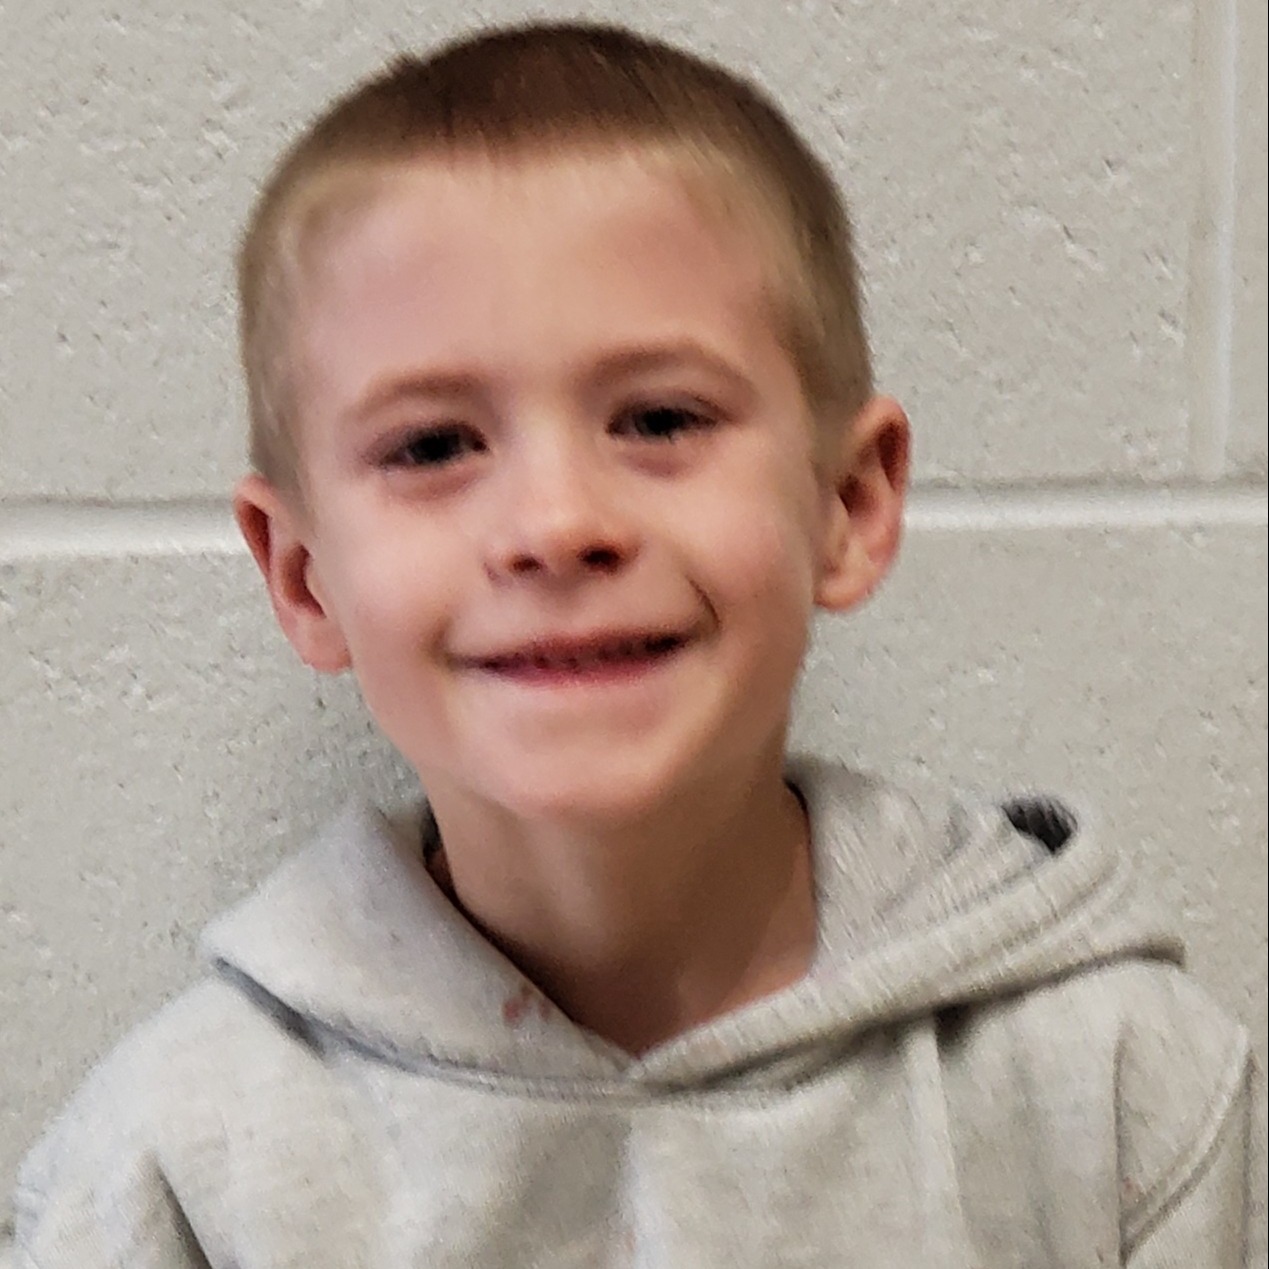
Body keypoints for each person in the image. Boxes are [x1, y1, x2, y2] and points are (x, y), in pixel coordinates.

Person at [10, 20, 1264, 1268]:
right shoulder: (170, 1169)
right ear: (302, 576)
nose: (556, 526)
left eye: (660, 417)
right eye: (434, 445)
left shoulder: (1119, 1088)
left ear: (849, 506)